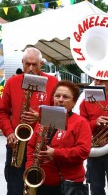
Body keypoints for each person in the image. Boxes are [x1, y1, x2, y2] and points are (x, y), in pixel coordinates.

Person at [0, 47, 58, 195]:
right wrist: (9, 132)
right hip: (16, 144)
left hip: (42, 145)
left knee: (41, 188)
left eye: (35, 64)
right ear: (22, 62)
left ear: (42, 64)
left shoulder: (52, 82)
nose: (31, 68)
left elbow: (60, 115)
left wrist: (41, 117)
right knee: (14, 187)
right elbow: (2, 111)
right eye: (27, 64)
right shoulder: (12, 82)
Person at [26, 80, 92, 195]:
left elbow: (83, 151)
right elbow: (31, 146)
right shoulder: (44, 119)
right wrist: (30, 170)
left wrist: (55, 153)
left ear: (74, 102)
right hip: (41, 182)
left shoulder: (81, 123)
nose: (60, 100)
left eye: (66, 97)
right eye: (57, 96)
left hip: (68, 184)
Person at [80, 79, 108, 195]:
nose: (98, 83)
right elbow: (82, 126)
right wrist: (95, 122)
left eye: (103, 81)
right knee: (95, 188)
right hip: (94, 149)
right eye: (97, 80)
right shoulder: (86, 101)